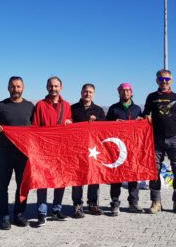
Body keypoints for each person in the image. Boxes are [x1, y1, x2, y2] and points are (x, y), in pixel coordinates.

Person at [0, 76, 35, 230]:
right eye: (13, 86)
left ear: (23, 88)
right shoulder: (1, 105)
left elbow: (38, 126)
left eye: (18, 86)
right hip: (5, 152)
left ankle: (19, 214)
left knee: (22, 185)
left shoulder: (30, 106)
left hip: (23, 153)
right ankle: (4, 216)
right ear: (8, 88)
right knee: (2, 185)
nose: (16, 89)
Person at [142, 69, 176, 214]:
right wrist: (145, 116)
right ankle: (156, 202)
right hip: (156, 138)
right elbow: (145, 113)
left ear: (171, 80)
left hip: (175, 138)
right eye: (161, 79)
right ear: (156, 81)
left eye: (167, 79)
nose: (164, 82)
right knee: (154, 171)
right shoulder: (151, 97)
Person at [33, 76, 73, 225]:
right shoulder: (40, 105)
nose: (53, 88)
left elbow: (70, 123)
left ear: (61, 88)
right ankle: (42, 212)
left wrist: (70, 122)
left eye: (56, 86)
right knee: (43, 181)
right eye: (51, 86)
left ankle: (56, 209)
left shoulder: (66, 105)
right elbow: (35, 127)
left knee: (60, 181)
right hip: (44, 150)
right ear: (47, 87)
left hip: (61, 150)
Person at [106, 83, 144, 215]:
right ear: (119, 93)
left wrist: (141, 121)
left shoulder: (137, 109)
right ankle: (115, 203)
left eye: (128, 90)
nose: (126, 93)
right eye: (123, 91)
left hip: (133, 147)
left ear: (131, 92)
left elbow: (143, 126)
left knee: (133, 175)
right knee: (116, 176)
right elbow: (105, 127)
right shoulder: (113, 109)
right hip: (117, 148)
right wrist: (113, 123)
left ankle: (133, 203)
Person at [70, 83, 106, 218]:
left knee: (94, 176)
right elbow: (68, 125)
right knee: (77, 177)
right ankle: (77, 205)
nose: (88, 94)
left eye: (90, 92)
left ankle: (92, 204)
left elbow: (106, 129)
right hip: (77, 149)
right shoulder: (73, 109)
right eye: (85, 91)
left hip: (94, 150)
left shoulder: (98, 110)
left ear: (93, 94)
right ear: (81, 92)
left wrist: (97, 121)